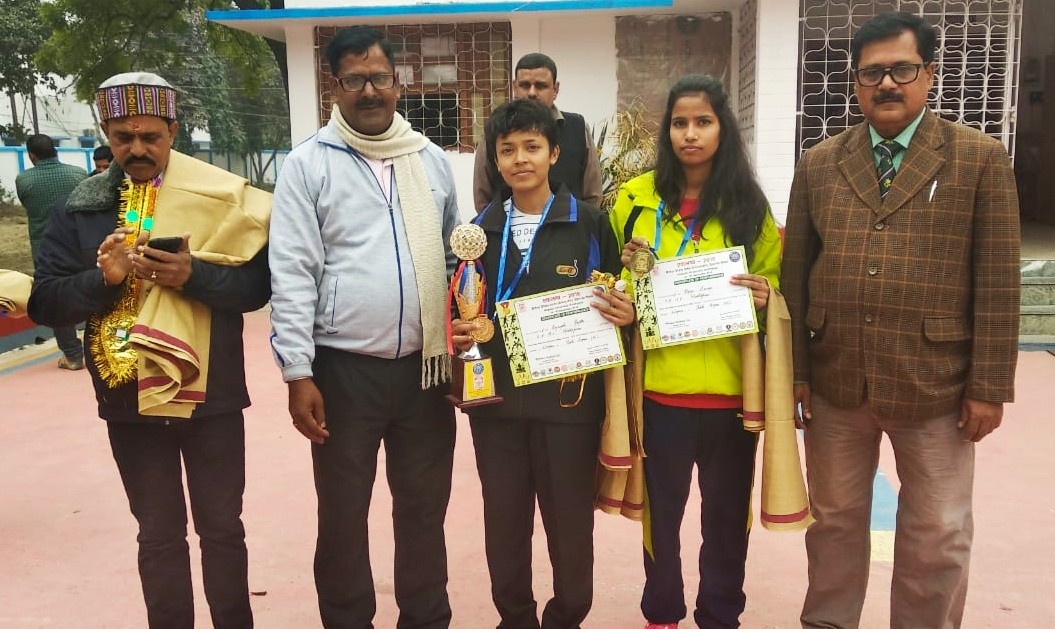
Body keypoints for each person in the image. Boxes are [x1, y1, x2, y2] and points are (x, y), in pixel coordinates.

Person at [781, 12, 1020, 629]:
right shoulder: (819, 162)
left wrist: (989, 387)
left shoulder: (979, 158)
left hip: (936, 382)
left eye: (901, 70)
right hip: (838, 379)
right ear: (855, 82)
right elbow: (796, 271)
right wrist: (796, 373)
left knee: (938, 530)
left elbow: (996, 282)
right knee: (832, 521)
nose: (887, 84)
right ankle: (829, 620)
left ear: (929, 74)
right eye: (872, 73)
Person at [27, 71, 271, 628]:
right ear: (106, 133)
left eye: (150, 136)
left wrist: (194, 275)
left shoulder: (216, 197)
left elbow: (256, 289)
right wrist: (102, 281)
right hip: (126, 396)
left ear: (173, 131)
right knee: (159, 535)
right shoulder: (81, 208)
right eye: (122, 137)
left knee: (223, 529)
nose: (137, 148)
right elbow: (45, 302)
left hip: (210, 392)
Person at [268, 26, 460, 628]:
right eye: (355, 79)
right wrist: (298, 372)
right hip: (344, 372)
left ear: (400, 82)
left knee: (425, 510)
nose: (369, 90)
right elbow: (293, 272)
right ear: (337, 86)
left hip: (426, 371)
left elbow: (458, 262)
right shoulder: (308, 165)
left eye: (380, 77)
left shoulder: (429, 161)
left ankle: (425, 618)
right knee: (345, 512)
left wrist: (463, 345)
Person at [451, 98, 633, 628]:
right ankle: (516, 619)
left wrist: (624, 310)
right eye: (507, 150)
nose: (520, 159)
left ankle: (566, 615)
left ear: (554, 153)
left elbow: (618, 298)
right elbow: (463, 304)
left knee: (569, 525)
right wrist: (462, 328)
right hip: (497, 404)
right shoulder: (476, 232)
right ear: (495, 161)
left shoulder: (590, 225)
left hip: (568, 406)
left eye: (532, 147)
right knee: (504, 523)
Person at [612, 74, 782, 629]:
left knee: (727, 521)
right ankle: (660, 612)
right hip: (661, 393)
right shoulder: (634, 199)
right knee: (661, 518)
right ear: (666, 130)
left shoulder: (749, 207)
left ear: (722, 129)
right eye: (679, 122)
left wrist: (763, 296)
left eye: (703, 122)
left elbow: (772, 284)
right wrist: (626, 296)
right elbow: (617, 280)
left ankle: (720, 615)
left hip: (732, 398)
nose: (690, 134)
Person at [472, 52, 602, 212]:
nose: (532, 93)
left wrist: (580, 228)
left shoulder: (577, 127)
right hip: (509, 232)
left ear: (555, 89)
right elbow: (482, 196)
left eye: (541, 86)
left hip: (570, 230)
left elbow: (592, 193)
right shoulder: (497, 130)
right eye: (525, 85)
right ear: (514, 87)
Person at [15, 134, 88, 369]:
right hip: (80, 243)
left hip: (46, 249)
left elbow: (29, 206)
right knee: (92, 290)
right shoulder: (78, 174)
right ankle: (104, 347)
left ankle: (73, 356)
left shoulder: (24, 180)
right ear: (55, 150)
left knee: (56, 300)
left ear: (31, 156)